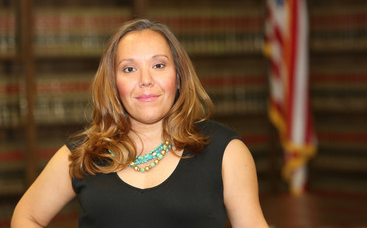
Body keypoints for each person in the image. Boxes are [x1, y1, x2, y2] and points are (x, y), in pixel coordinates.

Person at [11, 19, 268, 228]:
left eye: (158, 65)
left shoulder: (225, 151)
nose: (145, 80)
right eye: (129, 69)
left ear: (178, 77)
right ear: (113, 83)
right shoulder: (83, 153)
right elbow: (26, 216)